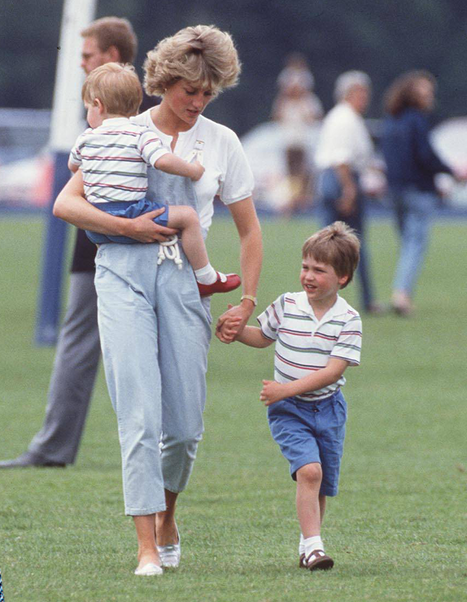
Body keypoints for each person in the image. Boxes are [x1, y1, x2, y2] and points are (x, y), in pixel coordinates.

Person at [52, 24, 262, 576]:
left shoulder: (224, 143)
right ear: (162, 81)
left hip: (186, 282)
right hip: (121, 274)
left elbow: (249, 232)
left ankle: (168, 514)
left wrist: (247, 300)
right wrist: (131, 231)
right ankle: (146, 546)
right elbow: (67, 205)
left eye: (207, 93)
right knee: (140, 415)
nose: (197, 102)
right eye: (188, 90)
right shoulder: (122, 128)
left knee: (186, 428)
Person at [0, 15, 142, 470]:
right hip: (100, 243)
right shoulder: (127, 118)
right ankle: (56, 446)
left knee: (95, 343)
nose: (80, 64)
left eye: (87, 56)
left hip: (123, 245)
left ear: (112, 57)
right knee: (88, 341)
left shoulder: (126, 121)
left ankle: (55, 448)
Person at [228, 222, 362, 571]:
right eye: (305, 267)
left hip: (329, 410)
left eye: (320, 270)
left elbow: (334, 371)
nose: (308, 275)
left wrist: (283, 387)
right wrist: (236, 331)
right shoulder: (287, 305)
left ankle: (308, 546)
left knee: (320, 483)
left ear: (343, 278)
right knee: (310, 471)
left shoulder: (349, 319)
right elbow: (263, 337)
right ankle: (315, 547)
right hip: (288, 410)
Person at [70, 62, 240, 296]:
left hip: (97, 226)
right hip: (132, 212)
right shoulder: (139, 134)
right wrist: (192, 170)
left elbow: (73, 165)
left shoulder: (86, 138)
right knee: (189, 217)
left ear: (97, 105)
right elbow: (163, 161)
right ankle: (205, 276)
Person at [380, 71, 462, 316]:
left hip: (395, 191)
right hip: (417, 191)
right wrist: (450, 171)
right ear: (410, 93)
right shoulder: (416, 121)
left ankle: (401, 291)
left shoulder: (391, 121)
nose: (429, 96)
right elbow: (425, 156)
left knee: (406, 242)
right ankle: (401, 295)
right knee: (414, 244)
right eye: (424, 90)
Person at [314, 71, 380, 314]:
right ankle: (365, 300)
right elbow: (341, 158)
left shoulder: (341, 117)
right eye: (363, 92)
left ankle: (322, 299)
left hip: (335, 180)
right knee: (347, 245)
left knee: (329, 246)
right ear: (352, 93)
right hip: (342, 180)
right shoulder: (346, 119)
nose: (366, 98)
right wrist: (349, 189)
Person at [271, 53, 322, 215]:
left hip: (303, 142)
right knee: (292, 174)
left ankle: (300, 202)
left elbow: (314, 117)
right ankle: (291, 202)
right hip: (289, 141)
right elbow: (277, 116)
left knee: (302, 174)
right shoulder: (284, 102)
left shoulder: (308, 102)